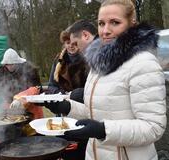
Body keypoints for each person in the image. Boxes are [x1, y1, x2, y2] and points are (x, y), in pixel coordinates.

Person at [46, 0, 167, 160]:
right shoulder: (98, 66)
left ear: (132, 24)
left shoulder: (143, 63)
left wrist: (103, 130)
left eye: (115, 22)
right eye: (101, 23)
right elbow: (97, 113)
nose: (105, 30)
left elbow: (153, 127)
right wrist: (68, 107)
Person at [44, 21, 97, 160]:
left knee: (82, 147)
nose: (71, 46)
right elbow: (51, 85)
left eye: (74, 43)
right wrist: (60, 95)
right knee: (64, 146)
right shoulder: (59, 61)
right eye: (68, 43)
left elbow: (92, 89)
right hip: (62, 110)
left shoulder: (88, 59)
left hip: (83, 109)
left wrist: (74, 95)